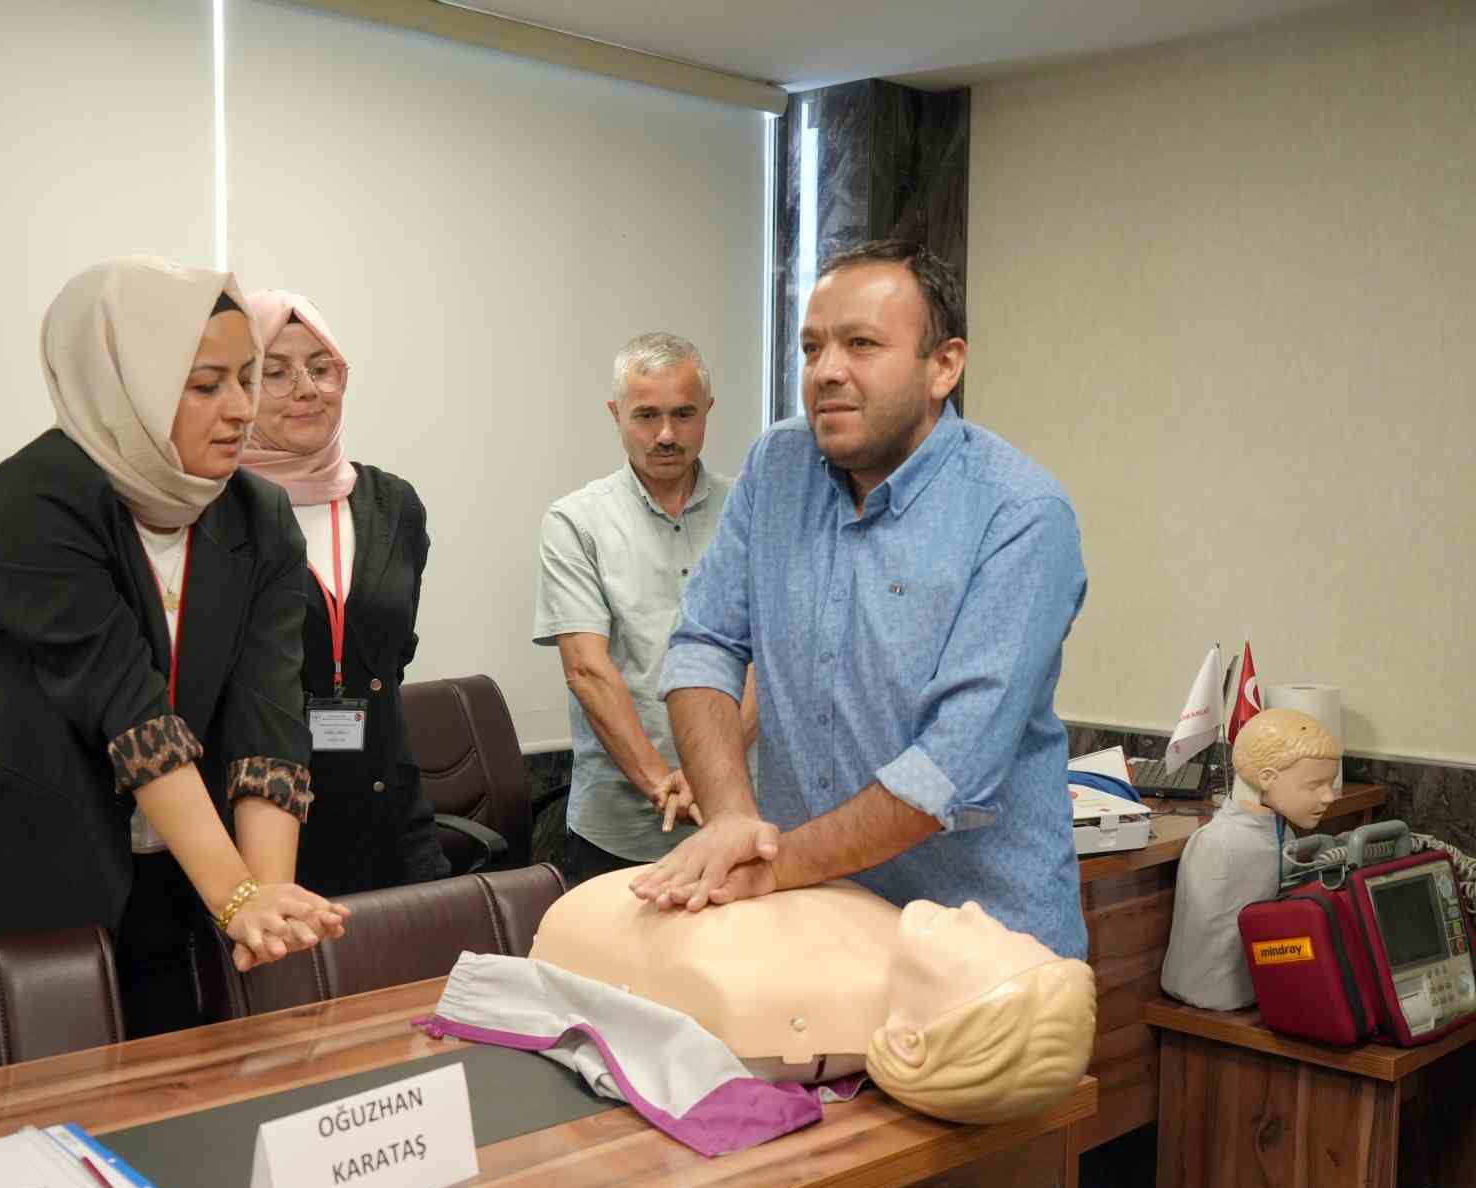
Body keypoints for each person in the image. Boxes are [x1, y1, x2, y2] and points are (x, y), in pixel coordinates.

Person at [0, 257, 349, 1036]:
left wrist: (268, 901)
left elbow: (268, 714)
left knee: (173, 1122)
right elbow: (128, 707)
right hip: (30, 887)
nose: (242, 410)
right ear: (127, 383)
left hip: (181, 890)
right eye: (206, 384)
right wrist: (240, 896)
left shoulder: (259, 515)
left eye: (247, 378)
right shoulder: (39, 495)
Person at [636, 239, 1089, 963]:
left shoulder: (1021, 514)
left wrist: (771, 861)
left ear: (944, 365)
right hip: (816, 932)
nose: (827, 372)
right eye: (812, 348)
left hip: (981, 952)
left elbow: (946, 770)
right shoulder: (776, 465)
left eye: (861, 344)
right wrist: (729, 819)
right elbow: (705, 646)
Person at [240, 290, 449, 897]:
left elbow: (391, 650)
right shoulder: (215, 513)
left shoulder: (393, 504)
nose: (306, 388)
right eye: (275, 373)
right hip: (262, 833)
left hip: (392, 814)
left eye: (321, 368)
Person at [533, 333, 755, 887]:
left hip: (741, 818)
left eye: (683, 414)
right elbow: (587, 669)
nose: (665, 435)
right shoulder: (576, 522)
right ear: (616, 414)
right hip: (619, 832)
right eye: (646, 415)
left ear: (708, 411)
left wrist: (712, 774)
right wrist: (666, 785)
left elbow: (771, 656)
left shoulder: (749, 511)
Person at [1161, 707, 1342, 1010]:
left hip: (1258, 988)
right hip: (1215, 994)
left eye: (1329, 784)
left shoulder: (1284, 836)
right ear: (1267, 777)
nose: (1328, 797)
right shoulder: (1218, 844)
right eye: (1314, 785)